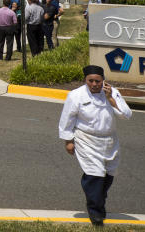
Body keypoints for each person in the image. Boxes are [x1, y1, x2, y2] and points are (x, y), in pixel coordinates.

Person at [58, 65, 133, 226]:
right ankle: (96, 213)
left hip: (109, 140)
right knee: (94, 175)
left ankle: (98, 200)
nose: (94, 84)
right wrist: (68, 141)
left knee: (109, 174)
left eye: (97, 81)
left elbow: (126, 115)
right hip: (86, 139)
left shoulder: (112, 92)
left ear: (103, 80)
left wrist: (111, 99)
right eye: (90, 81)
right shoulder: (75, 96)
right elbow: (67, 119)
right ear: (85, 80)